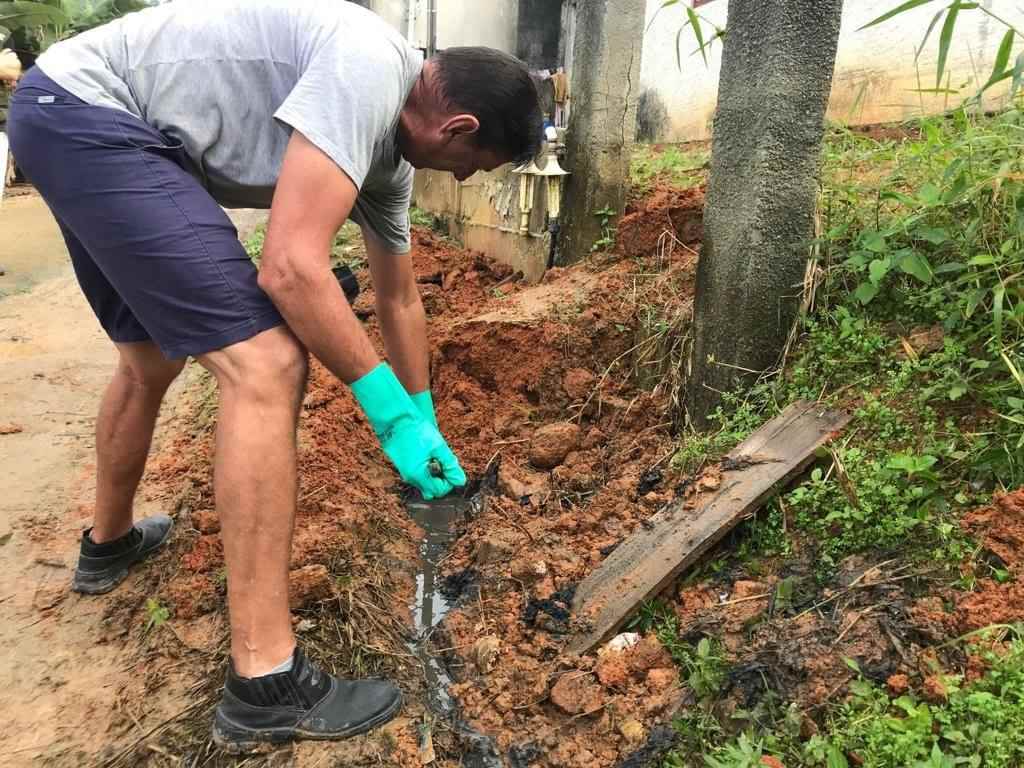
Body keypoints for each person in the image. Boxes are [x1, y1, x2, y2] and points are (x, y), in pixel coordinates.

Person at [7, 0, 542, 753]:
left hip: (66, 112)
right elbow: (290, 268)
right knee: (267, 361)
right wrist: (385, 412)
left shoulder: (387, 156)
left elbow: (399, 295)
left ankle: (111, 542)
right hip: (95, 118)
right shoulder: (367, 66)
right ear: (459, 130)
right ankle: (265, 680)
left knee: (150, 355)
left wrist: (423, 413)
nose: (460, 178)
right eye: (471, 168)